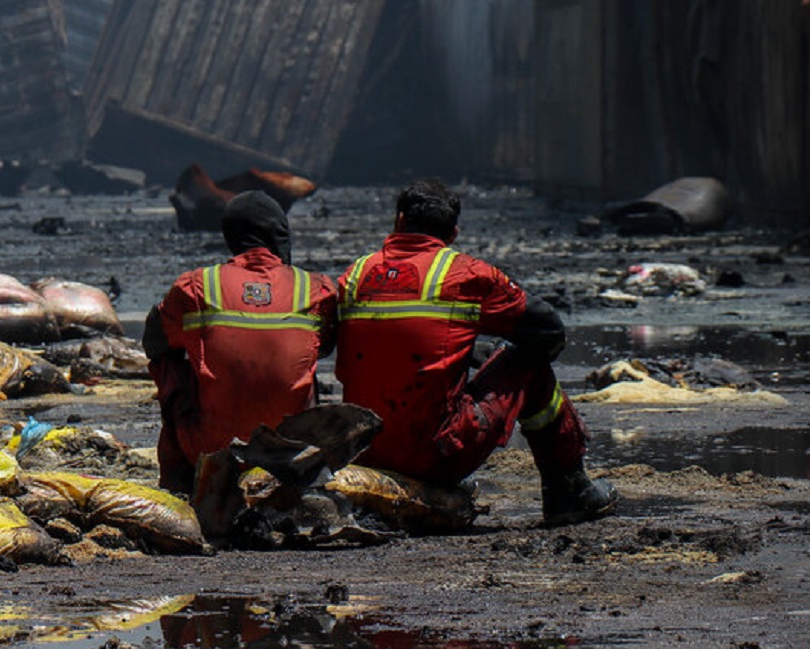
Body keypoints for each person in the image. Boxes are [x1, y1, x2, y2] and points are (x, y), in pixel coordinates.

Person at [336, 177, 617, 525]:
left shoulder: (354, 275)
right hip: (435, 454)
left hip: (365, 452)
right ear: (453, 234)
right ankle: (569, 490)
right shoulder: (466, 274)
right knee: (528, 363)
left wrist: (466, 351)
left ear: (399, 222)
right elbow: (548, 331)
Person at [143, 190, 337, 493]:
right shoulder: (314, 288)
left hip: (211, 450)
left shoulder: (196, 287)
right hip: (292, 451)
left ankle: (180, 481)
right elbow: (325, 347)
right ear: (280, 235)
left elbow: (154, 344)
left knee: (171, 365)